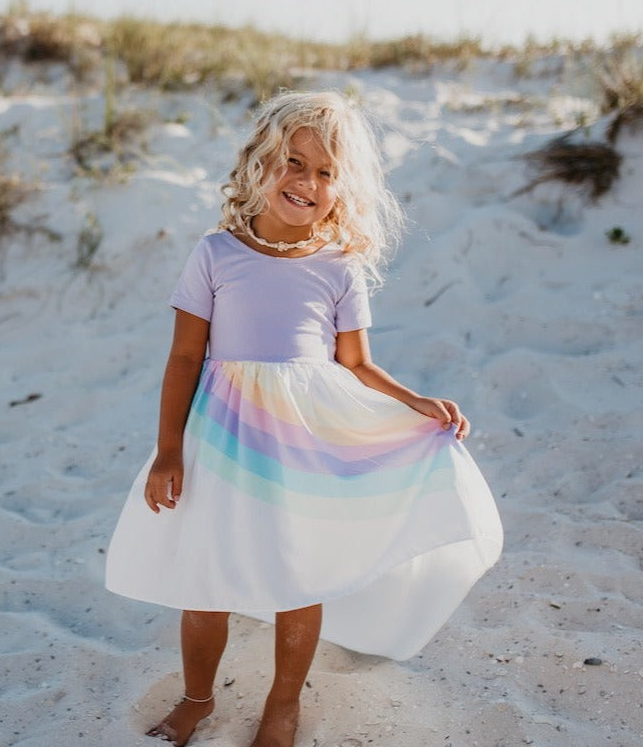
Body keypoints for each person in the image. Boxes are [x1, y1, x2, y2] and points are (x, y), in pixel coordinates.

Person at [105, 91, 503, 747]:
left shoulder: (338, 265)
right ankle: (197, 697)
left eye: (324, 173)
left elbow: (356, 364)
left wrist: (414, 402)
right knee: (204, 580)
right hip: (221, 441)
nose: (306, 182)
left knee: (298, 576)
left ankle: (282, 706)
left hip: (301, 443)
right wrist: (167, 451)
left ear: (341, 189)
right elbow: (183, 356)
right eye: (293, 162)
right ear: (259, 163)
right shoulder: (216, 253)